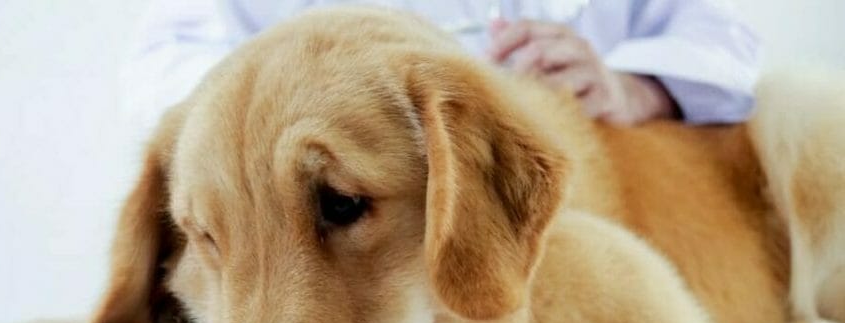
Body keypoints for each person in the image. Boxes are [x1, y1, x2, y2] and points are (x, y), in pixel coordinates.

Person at [122, 0, 761, 133]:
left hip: (602, 210)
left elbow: (726, 34)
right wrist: (315, 87)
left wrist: (633, 87)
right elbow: (167, 68)